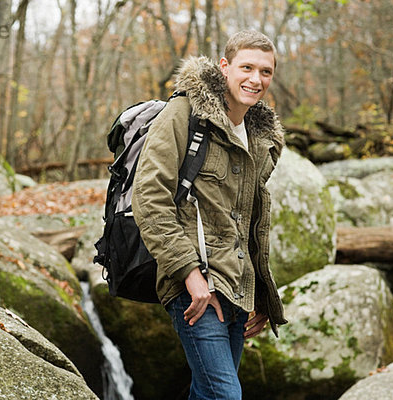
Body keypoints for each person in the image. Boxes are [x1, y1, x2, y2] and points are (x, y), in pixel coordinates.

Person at [132, 30, 288, 399]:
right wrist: (190, 276)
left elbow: (250, 223)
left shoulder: (259, 136)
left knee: (207, 392)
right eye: (246, 67)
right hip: (195, 287)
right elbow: (149, 197)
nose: (256, 79)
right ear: (225, 66)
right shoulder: (185, 113)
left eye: (265, 72)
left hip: (236, 289)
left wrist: (261, 294)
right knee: (224, 395)